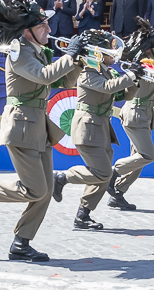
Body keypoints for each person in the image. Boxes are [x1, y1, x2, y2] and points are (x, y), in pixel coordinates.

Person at [0, 0, 82, 261]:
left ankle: (21, 243)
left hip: (38, 124)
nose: (49, 29)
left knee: (46, 189)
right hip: (22, 124)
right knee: (36, 189)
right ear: (27, 31)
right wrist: (70, 54)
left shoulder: (36, 50)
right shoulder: (19, 51)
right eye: (43, 26)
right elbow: (43, 76)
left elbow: (61, 81)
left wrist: (78, 62)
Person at [52, 30, 144, 230]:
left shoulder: (105, 70)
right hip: (87, 126)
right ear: (99, 53)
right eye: (111, 52)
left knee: (102, 177)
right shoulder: (87, 70)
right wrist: (130, 75)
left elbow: (124, 96)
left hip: (101, 127)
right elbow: (108, 87)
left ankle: (83, 215)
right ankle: (61, 177)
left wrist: (138, 80)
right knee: (103, 173)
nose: (115, 55)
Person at [107, 18, 154, 210]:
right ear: (149, 49)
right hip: (135, 114)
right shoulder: (144, 65)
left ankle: (118, 193)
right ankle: (112, 173)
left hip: (144, 115)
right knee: (147, 155)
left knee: (138, 160)